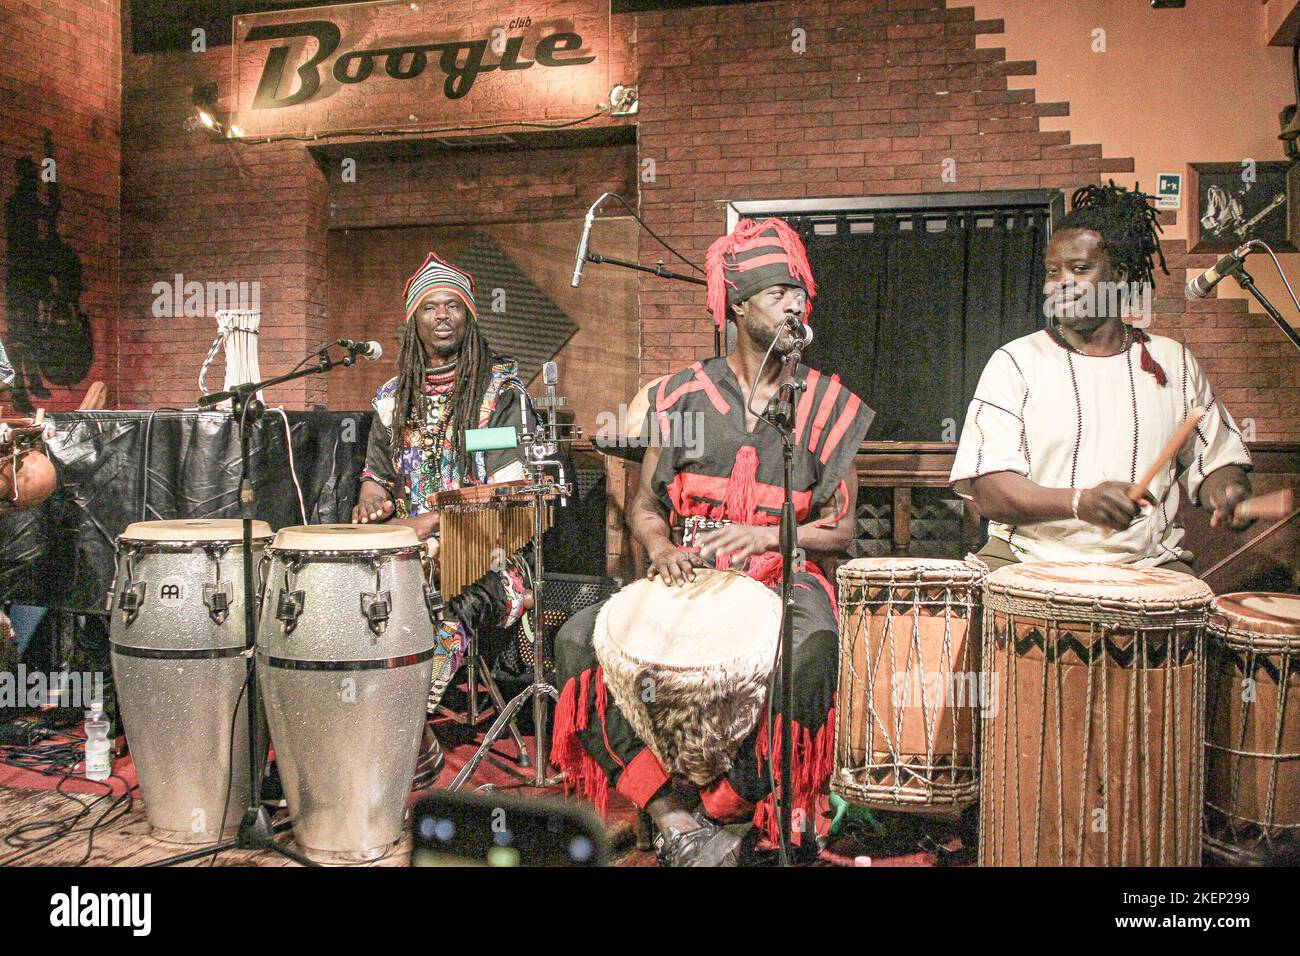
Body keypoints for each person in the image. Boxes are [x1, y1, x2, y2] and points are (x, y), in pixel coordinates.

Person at [551, 218, 874, 866]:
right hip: (690, 573)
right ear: (737, 302)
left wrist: (764, 532)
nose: (794, 303)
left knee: (814, 657)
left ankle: (726, 807)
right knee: (574, 640)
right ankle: (670, 816)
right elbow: (646, 506)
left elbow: (839, 527)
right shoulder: (680, 399)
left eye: (800, 292)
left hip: (786, 573)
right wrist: (661, 548)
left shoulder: (825, 405)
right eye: (779, 290)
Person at [951, 182, 1256, 573]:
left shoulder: (1172, 362)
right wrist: (1079, 502)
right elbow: (990, 491)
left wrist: (1228, 491)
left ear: (1119, 274)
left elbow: (1217, 461)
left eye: (1079, 269)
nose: (1058, 283)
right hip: (1027, 556)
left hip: (1145, 562)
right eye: (1052, 271)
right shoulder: (1015, 361)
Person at [353, 252, 534, 784]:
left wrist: (431, 522)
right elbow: (376, 474)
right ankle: (375, 724)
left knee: (442, 606)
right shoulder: (391, 400)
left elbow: (512, 490)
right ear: (414, 321)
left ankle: (400, 731)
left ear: (469, 316)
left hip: (489, 557)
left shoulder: (498, 395)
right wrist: (372, 499)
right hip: (408, 552)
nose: (441, 316)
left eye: (452, 306)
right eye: (429, 307)